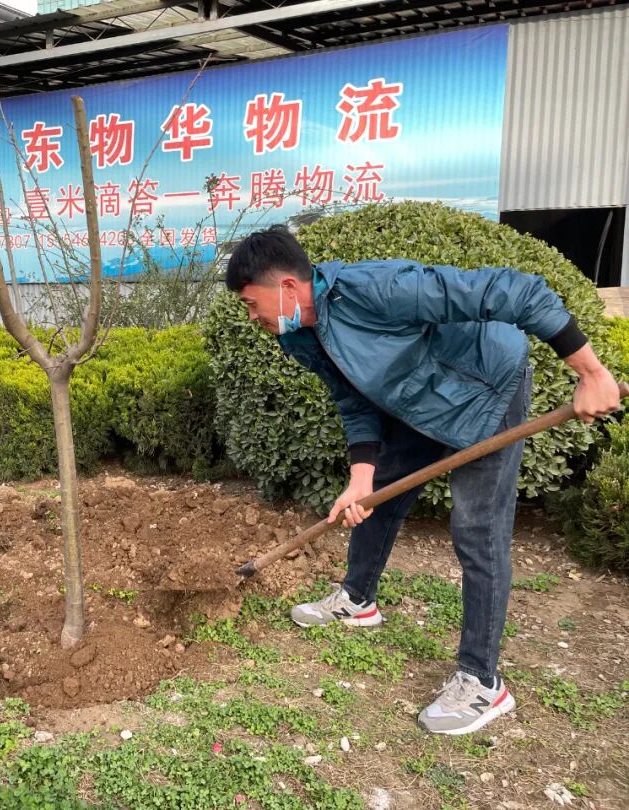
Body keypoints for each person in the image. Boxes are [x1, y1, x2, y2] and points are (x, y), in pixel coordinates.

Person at [224, 225, 621, 736]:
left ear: (286, 288)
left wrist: (590, 371)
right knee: (379, 498)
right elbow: (352, 398)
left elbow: (518, 291)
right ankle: (357, 600)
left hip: (485, 389)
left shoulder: (377, 288)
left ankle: (482, 682)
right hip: (416, 401)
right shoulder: (298, 336)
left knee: (478, 528)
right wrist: (361, 475)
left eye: (252, 303)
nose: (252, 316)